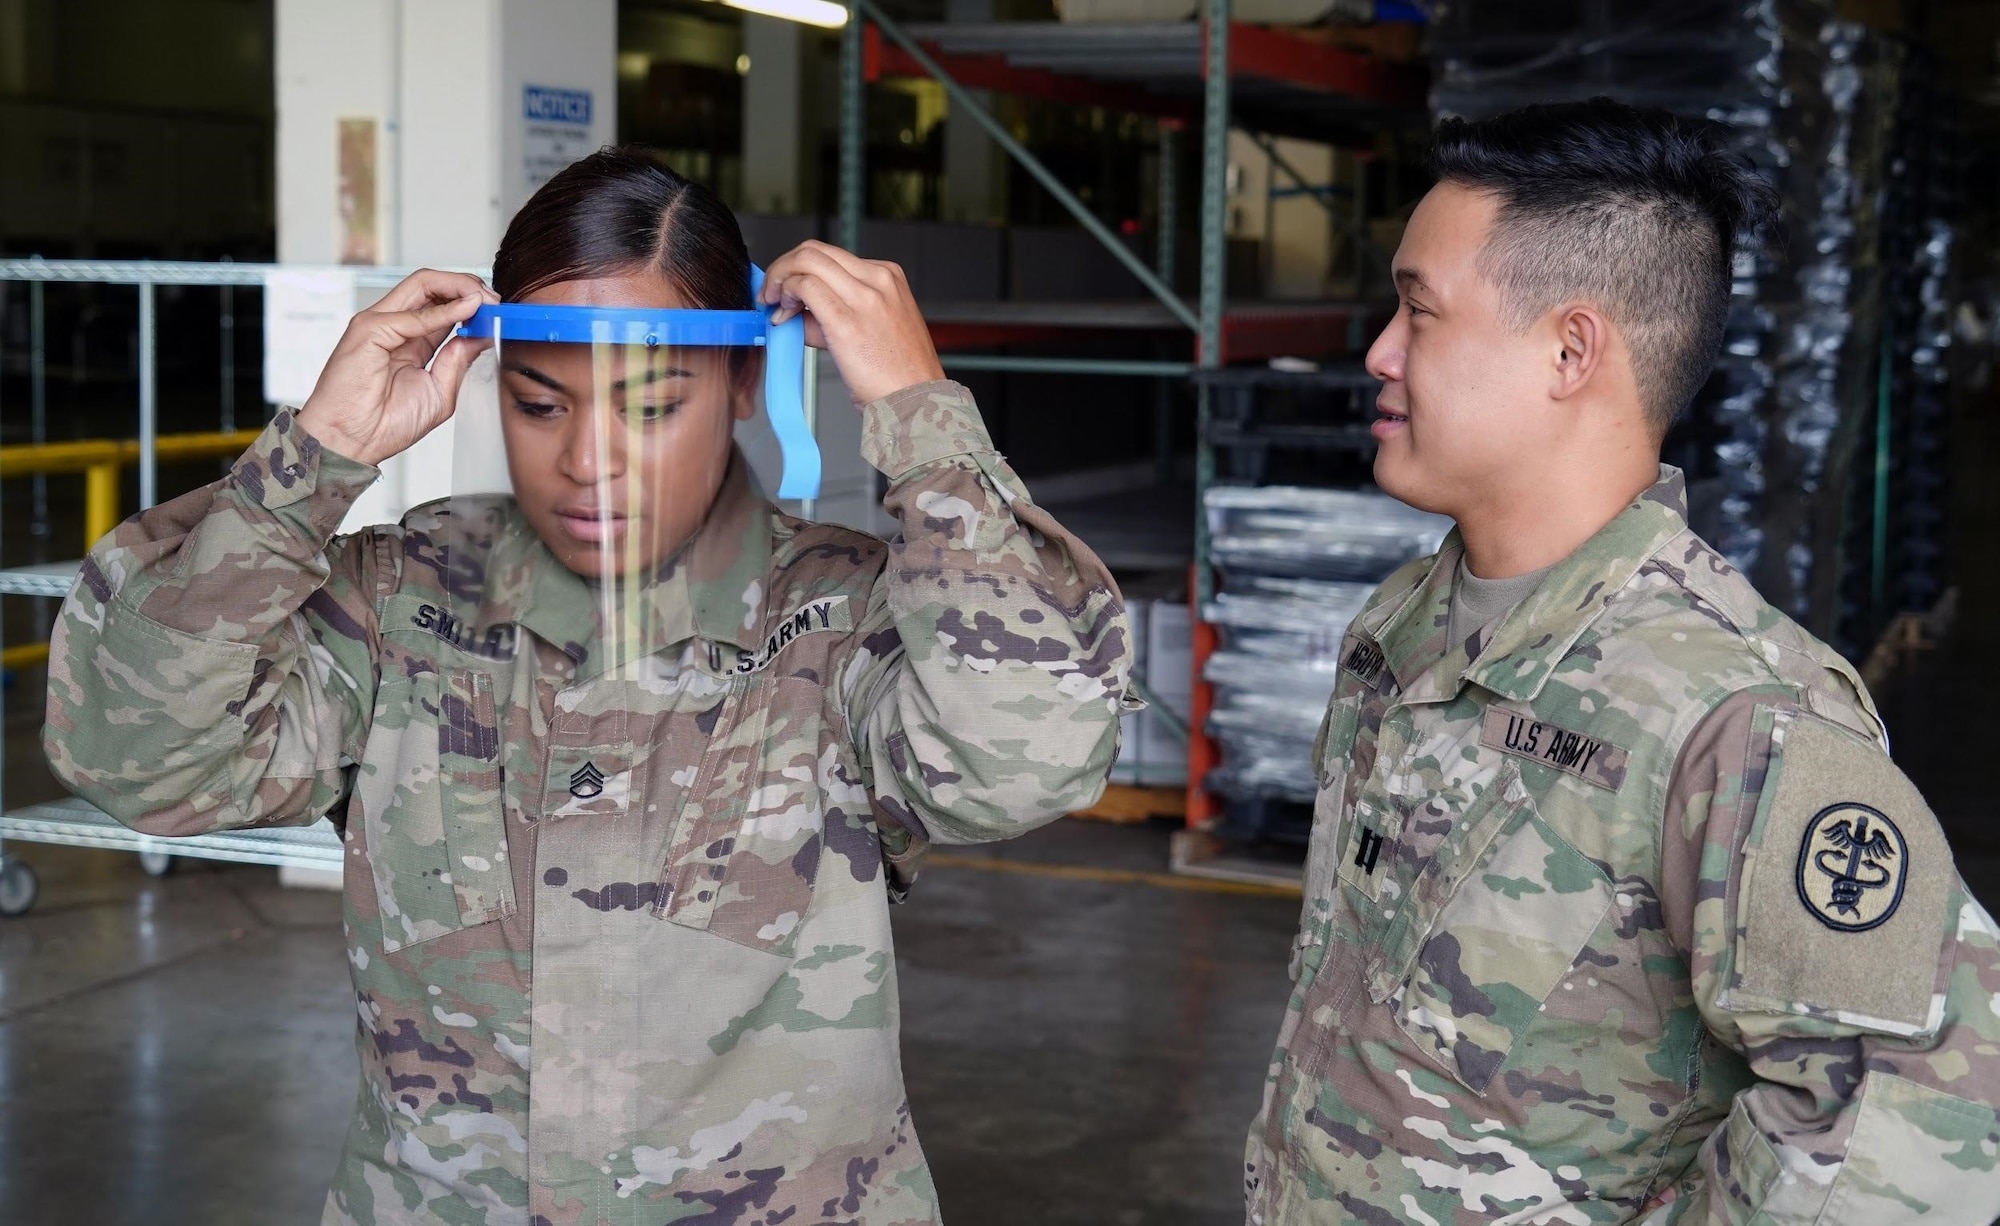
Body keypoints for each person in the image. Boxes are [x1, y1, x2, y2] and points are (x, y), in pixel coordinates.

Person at [42, 149, 1133, 1225]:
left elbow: (1023, 760)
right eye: (541, 403)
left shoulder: (838, 616)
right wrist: (308, 463)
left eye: (650, 405)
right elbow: (137, 755)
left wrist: (920, 416)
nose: (588, 459)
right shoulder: (404, 601)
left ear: (746, 382)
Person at [1244, 99, 2000, 1224]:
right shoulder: (1405, 619)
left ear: (1568, 348)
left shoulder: (1738, 716)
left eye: (1416, 311)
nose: (1377, 352)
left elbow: (1917, 1142)